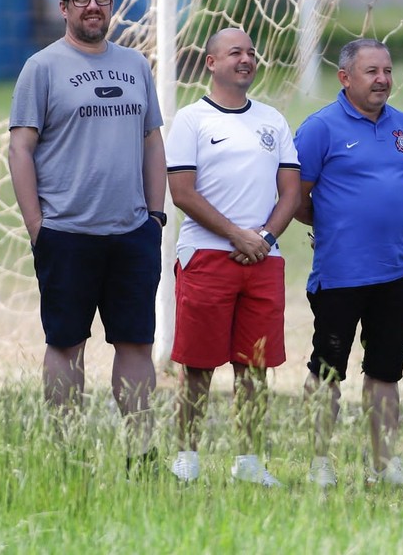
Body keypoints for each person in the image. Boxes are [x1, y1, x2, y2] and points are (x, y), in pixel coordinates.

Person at [8, 0, 166, 476]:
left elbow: (152, 142)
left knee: (137, 342)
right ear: (64, 8)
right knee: (65, 344)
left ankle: (141, 454)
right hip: (66, 233)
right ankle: (66, 454)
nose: (92, 6)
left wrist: (156, 216)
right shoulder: (42, 67)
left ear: (112, 4)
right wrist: (39, 229)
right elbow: (20, 149)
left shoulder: (136, 64)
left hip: (132, 232)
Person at [293, 39, 403, 489]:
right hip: (340, 275)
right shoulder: (320, 128)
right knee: (327, 371)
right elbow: (296, 197)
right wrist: (335, 222)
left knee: (386, 372)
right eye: (372, 71)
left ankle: (384, 464)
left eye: (388, 71)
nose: (383, 80)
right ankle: (319, 462)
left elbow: (392, 186)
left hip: (394, 271)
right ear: (345, 77)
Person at [165, 27, 300, 487]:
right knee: (198, 364)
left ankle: (250, 461)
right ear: (211, 62)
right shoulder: (191, 119)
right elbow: (182, 192)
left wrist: (262, 236)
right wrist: (235, 235)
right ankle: (187, 455)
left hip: (264, 256)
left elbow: (291, 191)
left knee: (255, 366)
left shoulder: (272, 120)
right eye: (235, 52)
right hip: (207, 254)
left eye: (251, 52)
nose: (246, 59)